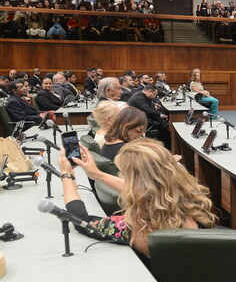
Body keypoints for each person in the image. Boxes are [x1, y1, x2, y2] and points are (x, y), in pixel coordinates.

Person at [59, 139, 217, 257]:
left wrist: (67, 175)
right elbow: (150, 188)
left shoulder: (134, 226)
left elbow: (80, 220)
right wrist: (97, 174)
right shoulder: (195, 201)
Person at [128, 84, 171, 148]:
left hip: (142, 117)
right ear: (150, 92)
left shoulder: (142, 95)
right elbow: (147, 110)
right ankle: (167, 145)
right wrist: (161, 115)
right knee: (161, 125)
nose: (154, 97)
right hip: (136, 121)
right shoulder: (139, 96)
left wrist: (154, 105)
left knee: (161, 120)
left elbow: (149, 107)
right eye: (154, 94)